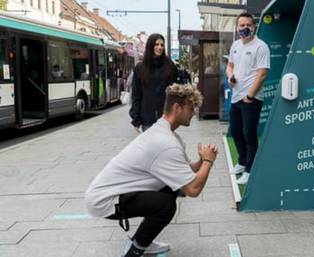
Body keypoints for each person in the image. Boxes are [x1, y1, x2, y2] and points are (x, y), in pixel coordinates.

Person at [85, 84, 218, 257]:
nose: (194, 113)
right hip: (104, 200)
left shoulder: (167, 134)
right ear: (177, 108)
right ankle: (135, 250)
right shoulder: (165, 143)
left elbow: (185, 172)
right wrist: (208, 161)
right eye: (191, 108)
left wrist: (200, 161)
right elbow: (193, 189)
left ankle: (142, 240)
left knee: (172, 189)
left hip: (114, 193)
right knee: (166, 205)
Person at [226, 12, 270, 184]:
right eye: (241, 25)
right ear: (237, 28)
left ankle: (250, 170)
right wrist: (230, 77)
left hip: (251, 98)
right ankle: (242, 162)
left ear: (254, 26)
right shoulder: (236, 45)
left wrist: (250, 96)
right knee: (236, 131)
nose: (245, 28)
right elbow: (230, 66)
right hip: (236, 97)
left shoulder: (261, 46)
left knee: (249, 134)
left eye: (248, 25)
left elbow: (262, 73)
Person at [129, 33, 178, 132]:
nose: (159, 47)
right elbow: (136, 94)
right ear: (150, 46)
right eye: (156, 44)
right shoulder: (140, 68)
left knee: (165, 146)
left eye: (162, 45)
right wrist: (136, 118)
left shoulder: (170, 66)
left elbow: (174, 91)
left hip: (166, 117)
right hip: (147, 117)